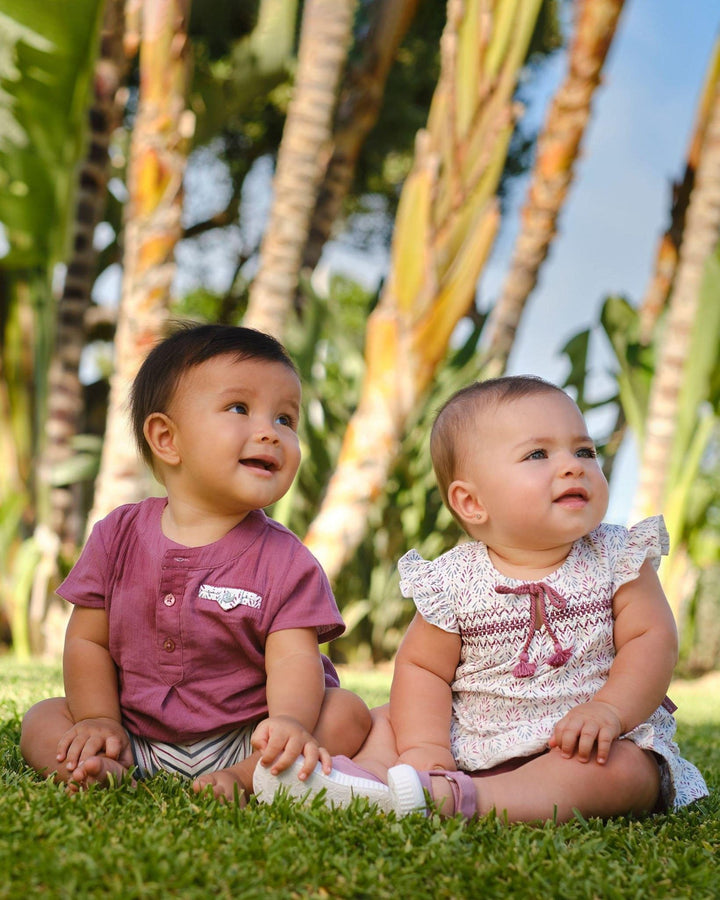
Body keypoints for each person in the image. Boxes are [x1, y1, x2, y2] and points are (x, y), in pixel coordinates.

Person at [253, 376, 709, 822]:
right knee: (385, 720)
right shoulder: (453, 578)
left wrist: (610, 709)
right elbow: (423, 669)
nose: (574, 466)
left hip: (582, 740)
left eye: (584, 451)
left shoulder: (618, 555)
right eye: (537, 454)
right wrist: (426, 747)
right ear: (472, 503)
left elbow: (652, 640)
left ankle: (472, 799)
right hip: (469, 733)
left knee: (627, 772)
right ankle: (368, 782)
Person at [21, 323, 371, 802]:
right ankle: (101, 766)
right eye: (239, 409)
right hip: (134, 734)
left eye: (286, 419)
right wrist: (98, 718)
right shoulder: (117, 535)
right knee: (42, 720)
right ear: (167, 438)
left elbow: (294, 657)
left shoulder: (286, 560)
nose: (270, 432)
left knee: (346, 713)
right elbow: (87, 640)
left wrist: (287, 723)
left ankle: (246, 778)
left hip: (247, 738)